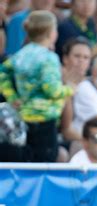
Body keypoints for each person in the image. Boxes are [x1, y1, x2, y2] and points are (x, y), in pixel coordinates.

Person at [0, 10, 73, 162]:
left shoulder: (20, 54)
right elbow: (51, 90)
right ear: (50, 33)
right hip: (45, 121)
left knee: (27, 163)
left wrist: (12, 96)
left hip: (23, 117)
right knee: (43, 165)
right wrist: (69, 89)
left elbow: (2, 73)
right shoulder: (49, 58)